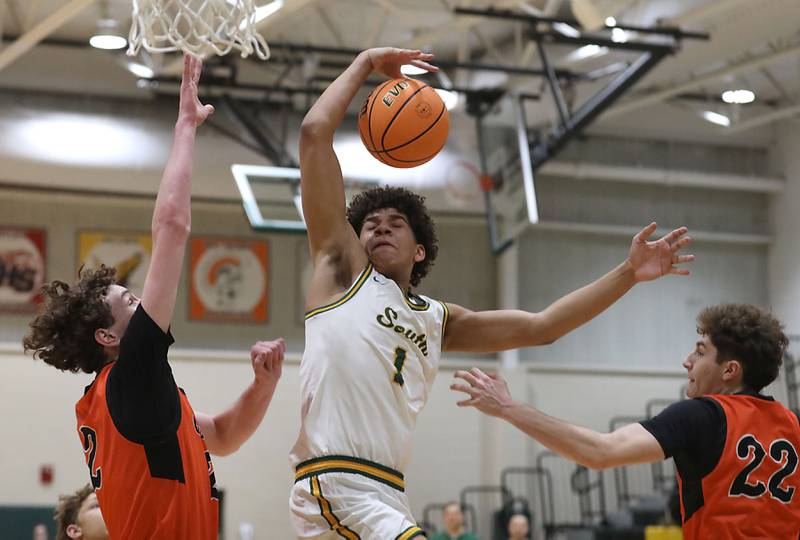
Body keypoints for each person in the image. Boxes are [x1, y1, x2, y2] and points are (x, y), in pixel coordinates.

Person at [291, 45, 694, 539]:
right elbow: (314, 134)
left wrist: (628, 274)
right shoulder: (341, 271)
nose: (379, 229)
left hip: (387, 489)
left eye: (396, 223)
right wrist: (365, 64)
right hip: (337, 481)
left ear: (421, 251)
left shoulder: (435, 319)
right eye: (369, 224)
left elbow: (542, 328)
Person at [23, 55, 285, 539]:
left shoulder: (135, 398)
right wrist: (185, 126)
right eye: (129, 301)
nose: (143, 301)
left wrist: (263, 385)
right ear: (107, 335)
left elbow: (224, 436)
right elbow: (171, 226)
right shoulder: (131, 376)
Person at [452, 303, 800, 539]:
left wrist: (507, 407)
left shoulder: (704, 414)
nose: (686, 361)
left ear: (729, 370)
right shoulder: (793, 425)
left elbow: (599, 452)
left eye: (699, 351)